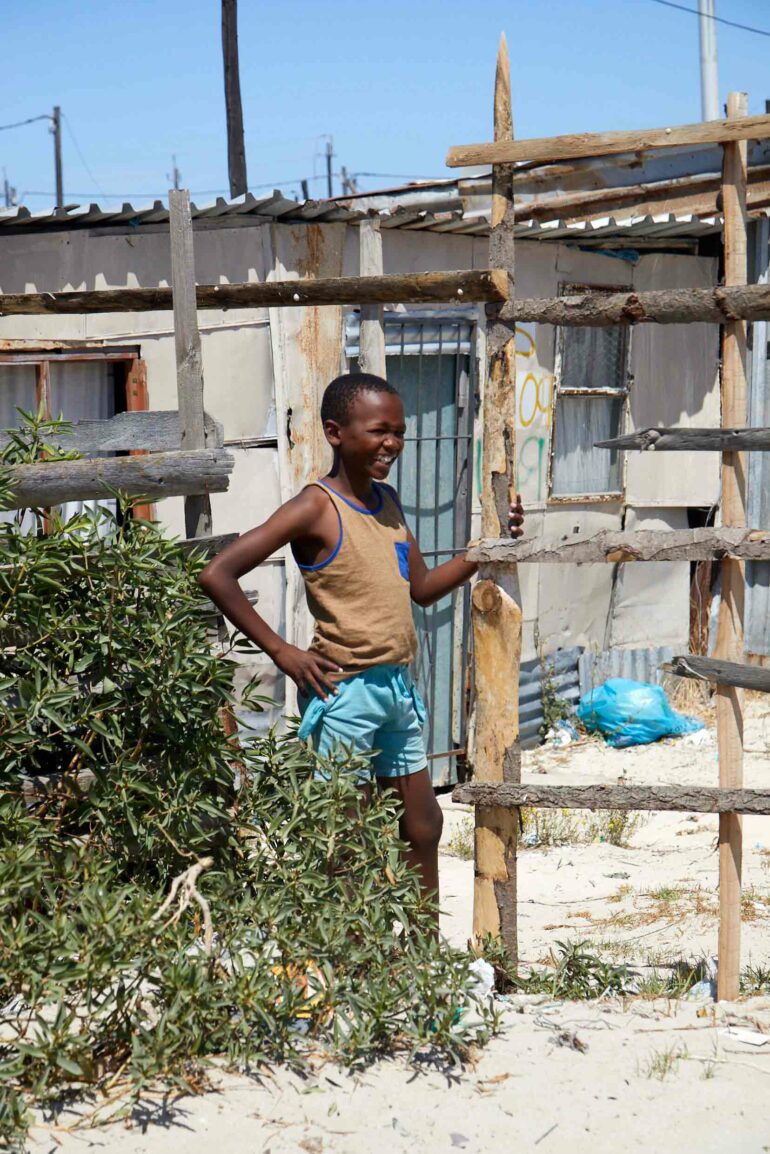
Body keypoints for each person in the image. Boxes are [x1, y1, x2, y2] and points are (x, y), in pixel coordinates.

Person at [199, 372, 524, 906]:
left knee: (422, 825)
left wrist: (485, 549)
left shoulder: (388, 502)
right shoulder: (315, 507)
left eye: (399, 432)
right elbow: (218, 574)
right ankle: (348, 967)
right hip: (343, 693)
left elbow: (420, 589)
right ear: (335, 433)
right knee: (343, 839)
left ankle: (422, 959)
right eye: (378, 431)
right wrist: (282, 652)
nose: (391, 444)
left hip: (396, 691)